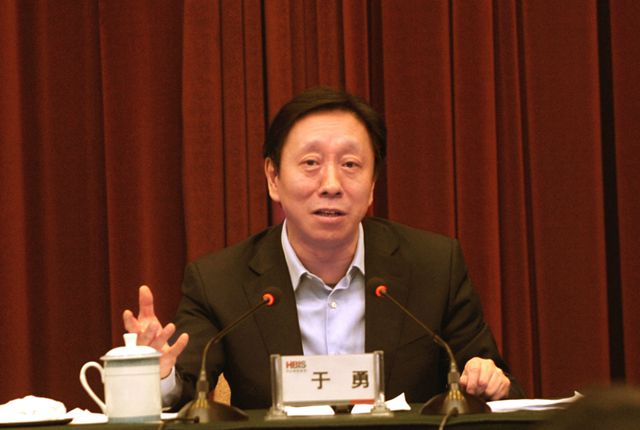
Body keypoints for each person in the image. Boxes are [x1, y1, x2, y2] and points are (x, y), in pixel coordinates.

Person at [123, 87, 524, 410]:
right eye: (311, 163)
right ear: (273, 178)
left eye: (350, 164)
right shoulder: (219, 282)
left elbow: (493, 380)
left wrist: (487, 378)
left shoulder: (434, 267)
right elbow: (185, 389)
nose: (331, 184)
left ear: (372, 185)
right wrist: (159, 373)